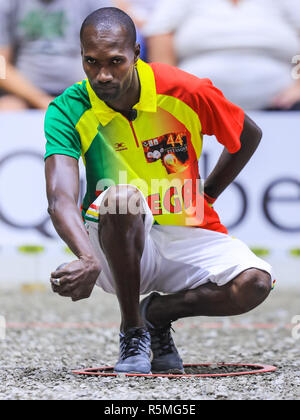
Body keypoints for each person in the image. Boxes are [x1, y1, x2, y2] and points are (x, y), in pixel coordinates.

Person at [44, 7, 275, 375]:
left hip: (186, 232)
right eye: (91, 62)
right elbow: (60, 198)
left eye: (115, 61)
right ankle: (132, 330)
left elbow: (249, 135)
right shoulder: (68, 108)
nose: (102, 75)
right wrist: (86, 257)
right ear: (82, 56)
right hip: (109, 242)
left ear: (137, 52)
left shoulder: (186, 90)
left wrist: (208, 195)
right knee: (122, 199)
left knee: (254, 284)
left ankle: (158, 314)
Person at [143, 0, 300, 111]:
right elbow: (160, 32)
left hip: (282, 105)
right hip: (195, 105)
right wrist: (171, 90)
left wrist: (298, 86)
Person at [0, 0, 111, 111]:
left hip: (83, 90)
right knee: (7, 109)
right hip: (24, 93)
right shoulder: (8, 3)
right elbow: (2, 67)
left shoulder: (95, 3)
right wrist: (41, 100)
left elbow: (111, 55)